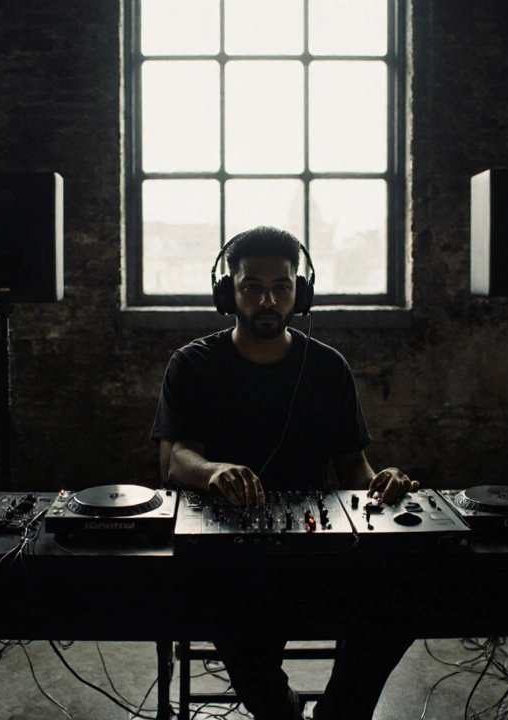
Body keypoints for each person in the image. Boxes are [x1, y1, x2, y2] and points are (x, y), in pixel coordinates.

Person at [150, 226, 418, 720]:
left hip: (318, 548)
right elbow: (175, 459)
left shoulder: (328, 368)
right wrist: (213, 471)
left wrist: (383, 482)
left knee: (400, 601)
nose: (267, 299)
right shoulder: (191, 364)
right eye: (252, 286)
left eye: (282, 286)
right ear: (227, 292)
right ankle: (281, 710)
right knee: (233, 614)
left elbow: (354, 467)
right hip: (229, 552)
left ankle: (340, 713)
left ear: (302, 293)